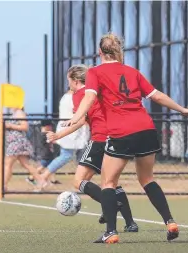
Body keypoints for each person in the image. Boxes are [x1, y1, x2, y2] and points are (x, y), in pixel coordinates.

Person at [68, 32, 188, 244]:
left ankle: (111, 232)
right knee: (147, 179)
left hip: (121, 132)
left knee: (108, 182)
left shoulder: (95, 72)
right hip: (146, 129)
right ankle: (170, 221)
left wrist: (77, 116)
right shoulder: (132, 71)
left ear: (99, 51)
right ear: (118, 50)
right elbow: (157, 96)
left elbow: (89, 96)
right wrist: (182, 109)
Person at [46, 64, 138, 232]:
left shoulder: (79, 95)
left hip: (99, 139)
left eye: (69, 81)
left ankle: (109, 204)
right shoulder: (98, 91)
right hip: (116, 138)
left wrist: (58, 135)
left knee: (78, 181)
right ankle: (130, 223)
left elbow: (80, 120)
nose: (69, 85)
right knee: (111, 183)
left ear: (75, 81)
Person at [35, 90, 90, 190]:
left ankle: (44, 177)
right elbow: (79, 114)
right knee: (67, 155)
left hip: (71, 131)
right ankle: (43, 177)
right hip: (73, 131)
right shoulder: (74, 97)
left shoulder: (66, 97)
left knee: (73, 156)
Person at [0, 107, 42, 191]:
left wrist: (10, 125)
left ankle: (2, 186)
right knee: (26, 164)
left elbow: (25, 126)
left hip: (17, 142)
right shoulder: (14, 113)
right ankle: (42, 181)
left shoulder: (20, 113)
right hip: (14, 142)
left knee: (8, 164)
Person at [25, 119, 56, 186]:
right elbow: (50, 141)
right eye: (50, 126)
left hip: (48, 153)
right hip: (45, 154)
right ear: (46, 126)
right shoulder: (44, 134)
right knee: (42, 167)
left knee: (50, 167)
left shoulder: (44, 133)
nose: (51, 128)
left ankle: (51, 180)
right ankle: (30, 178)